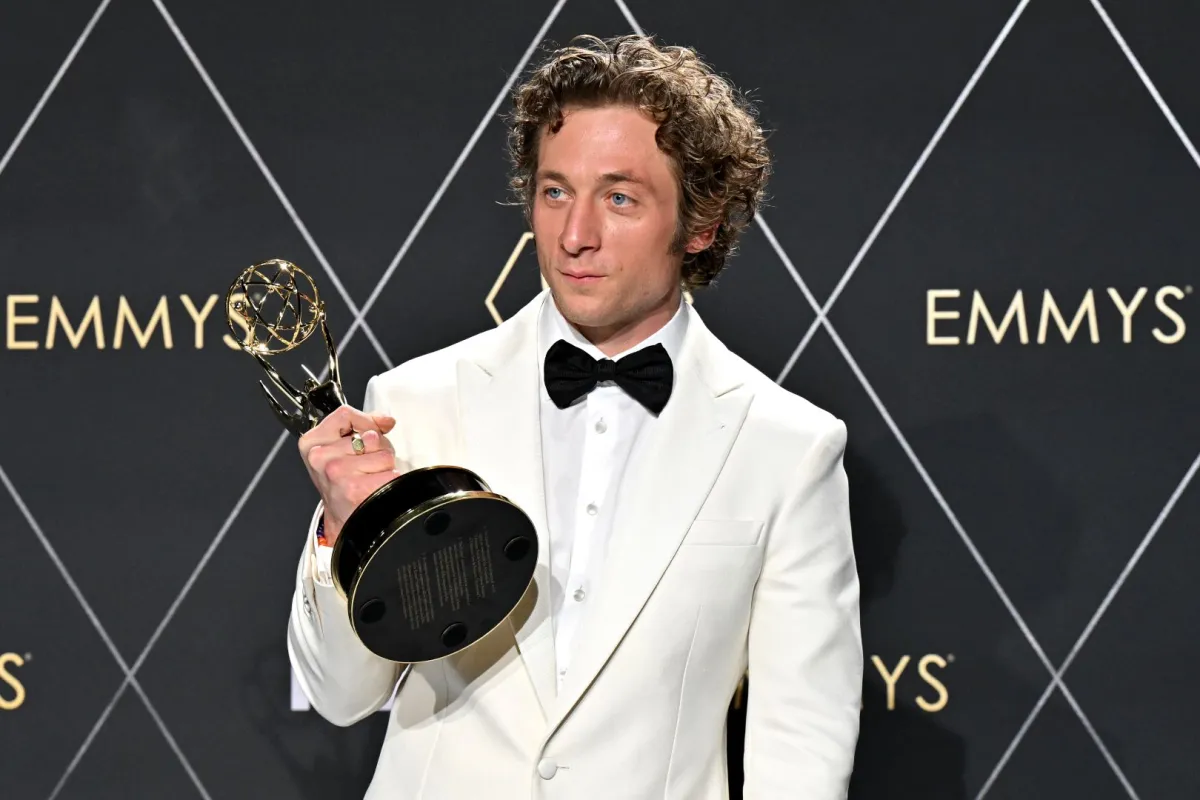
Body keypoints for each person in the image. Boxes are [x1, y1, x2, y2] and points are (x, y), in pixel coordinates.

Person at [286, 33, 862, 799]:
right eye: (556, 191)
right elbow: (338, 694)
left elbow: (803, 743)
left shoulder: (787, 447)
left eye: (619, 198)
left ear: (701, 222)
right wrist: (340, 531)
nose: (574, 235)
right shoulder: (415, 401)